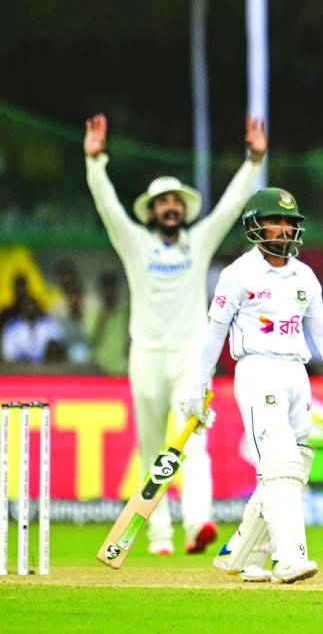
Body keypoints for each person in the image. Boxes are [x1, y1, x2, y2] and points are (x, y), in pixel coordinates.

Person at [83, 113, 268, 556]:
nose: (171, 208)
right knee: (151, 449)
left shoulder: (198, 241)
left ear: (183, 210)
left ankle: (198, 523)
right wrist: (95, 163)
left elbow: (229, 206)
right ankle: (160, 535)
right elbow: (108, 206)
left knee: (193, 441)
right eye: (163, 203)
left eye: (176, 203)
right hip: (145, 354)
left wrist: (253, 160)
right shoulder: (134, 243)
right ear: (152, 212)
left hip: (189, 354)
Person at [183, 187, 323, 584]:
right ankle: (289, 558)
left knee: (291, 467)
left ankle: (240, 553)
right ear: (255, 226)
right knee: (281, 462)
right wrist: (197, 388)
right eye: (275, 221)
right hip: (257, 370)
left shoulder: (304, 275)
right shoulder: (238, 275)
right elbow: (213, 333)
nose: (284, 230)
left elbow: (322, 331)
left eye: (290, 223)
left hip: (296, 373)